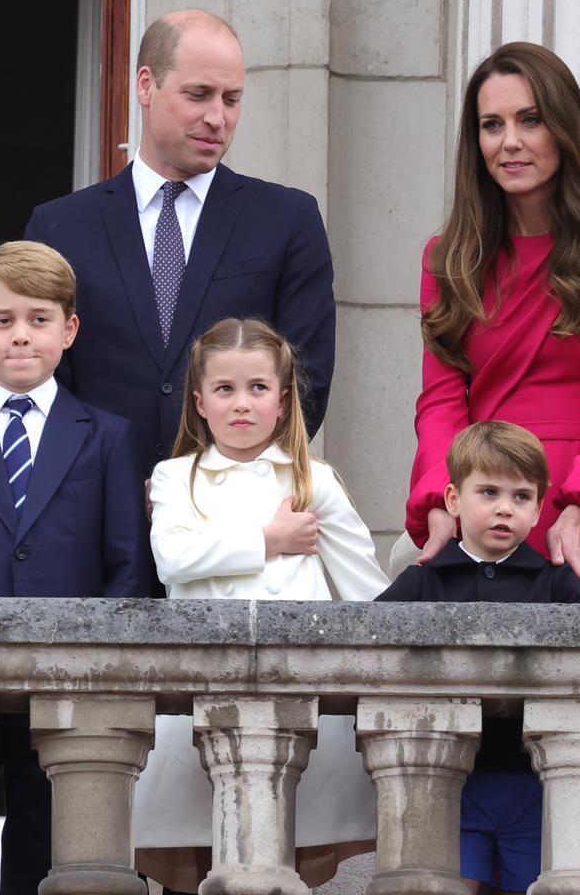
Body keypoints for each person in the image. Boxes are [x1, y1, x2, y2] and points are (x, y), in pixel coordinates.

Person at [24, 8, 335, 507]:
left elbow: (306, 376)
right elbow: (41, 378)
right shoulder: (60, 227)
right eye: (199, 95)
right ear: (146, 85)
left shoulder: (288, 219)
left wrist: (220, 481)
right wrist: (101, 486)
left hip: (236, 520)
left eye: (232, 99)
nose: (218, 117)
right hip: (95, 520)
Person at [133, 317, 389, 893]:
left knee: (280, 866)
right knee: (202, 861)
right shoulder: (175, 478)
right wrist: (269, 541)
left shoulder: (313, 481)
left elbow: (368, 596)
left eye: (257, 388)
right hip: (195, 701)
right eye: (224, 389)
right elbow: (173, 560)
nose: (241, 404)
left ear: (283, 400)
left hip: (297, 702)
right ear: (199, 402)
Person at [0, 241, 149, 895]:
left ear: (69, 331)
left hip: (68, 685)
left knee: (48, 855)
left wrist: (106, 673)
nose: (22, 335)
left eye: (40, 319)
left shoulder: (106, 436)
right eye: (6, 319)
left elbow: (127, 565)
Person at [405, 41, 580, 602]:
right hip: (489, 509)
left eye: (530, 120)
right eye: (491, 125)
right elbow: (442, 400)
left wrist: (579, 506)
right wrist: (440, 501)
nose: (510, 142)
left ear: (564, 129)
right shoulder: (447, 259)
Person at [379, 421, 580, 895]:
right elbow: (367, 641)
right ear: (453, 500)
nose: (505, 508)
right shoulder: (425, 580)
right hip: (449, 781)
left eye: (522, 497)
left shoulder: (552, 581)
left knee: (531, 886)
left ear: (540, 508)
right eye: (488, 492)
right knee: (450, 884)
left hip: (534, 781)